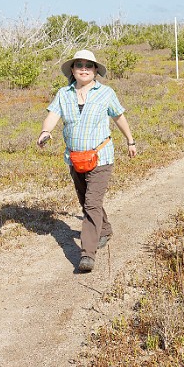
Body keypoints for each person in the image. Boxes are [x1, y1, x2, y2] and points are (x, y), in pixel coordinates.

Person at [37, 49, 137, 273]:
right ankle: (105, 229)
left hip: (101, 157)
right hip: (75, 158)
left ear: (95, 71)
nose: (84, 68)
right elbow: (53, 115)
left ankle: (87, 254)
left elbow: (119, 117)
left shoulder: (106, 93)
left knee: (91, 203)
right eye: (79, 65)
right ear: (72, 70)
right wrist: (45, 131)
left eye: (89, 65)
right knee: (86, 200)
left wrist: (130, 140)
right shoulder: (64, 94)